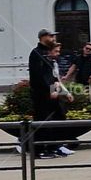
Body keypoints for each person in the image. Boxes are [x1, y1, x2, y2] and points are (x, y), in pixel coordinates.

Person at [27, 30, 73, 158]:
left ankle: (53, 146)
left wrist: (57, 89)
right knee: (42, 122)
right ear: (43, 37)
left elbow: (52, 76)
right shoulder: (37, 53)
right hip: (41, 95)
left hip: (51, 94)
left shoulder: (46, 52)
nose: (53, 38)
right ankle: (39, 150)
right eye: (51, 36)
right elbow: (39, 76)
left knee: (56, 119)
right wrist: (51, 89)